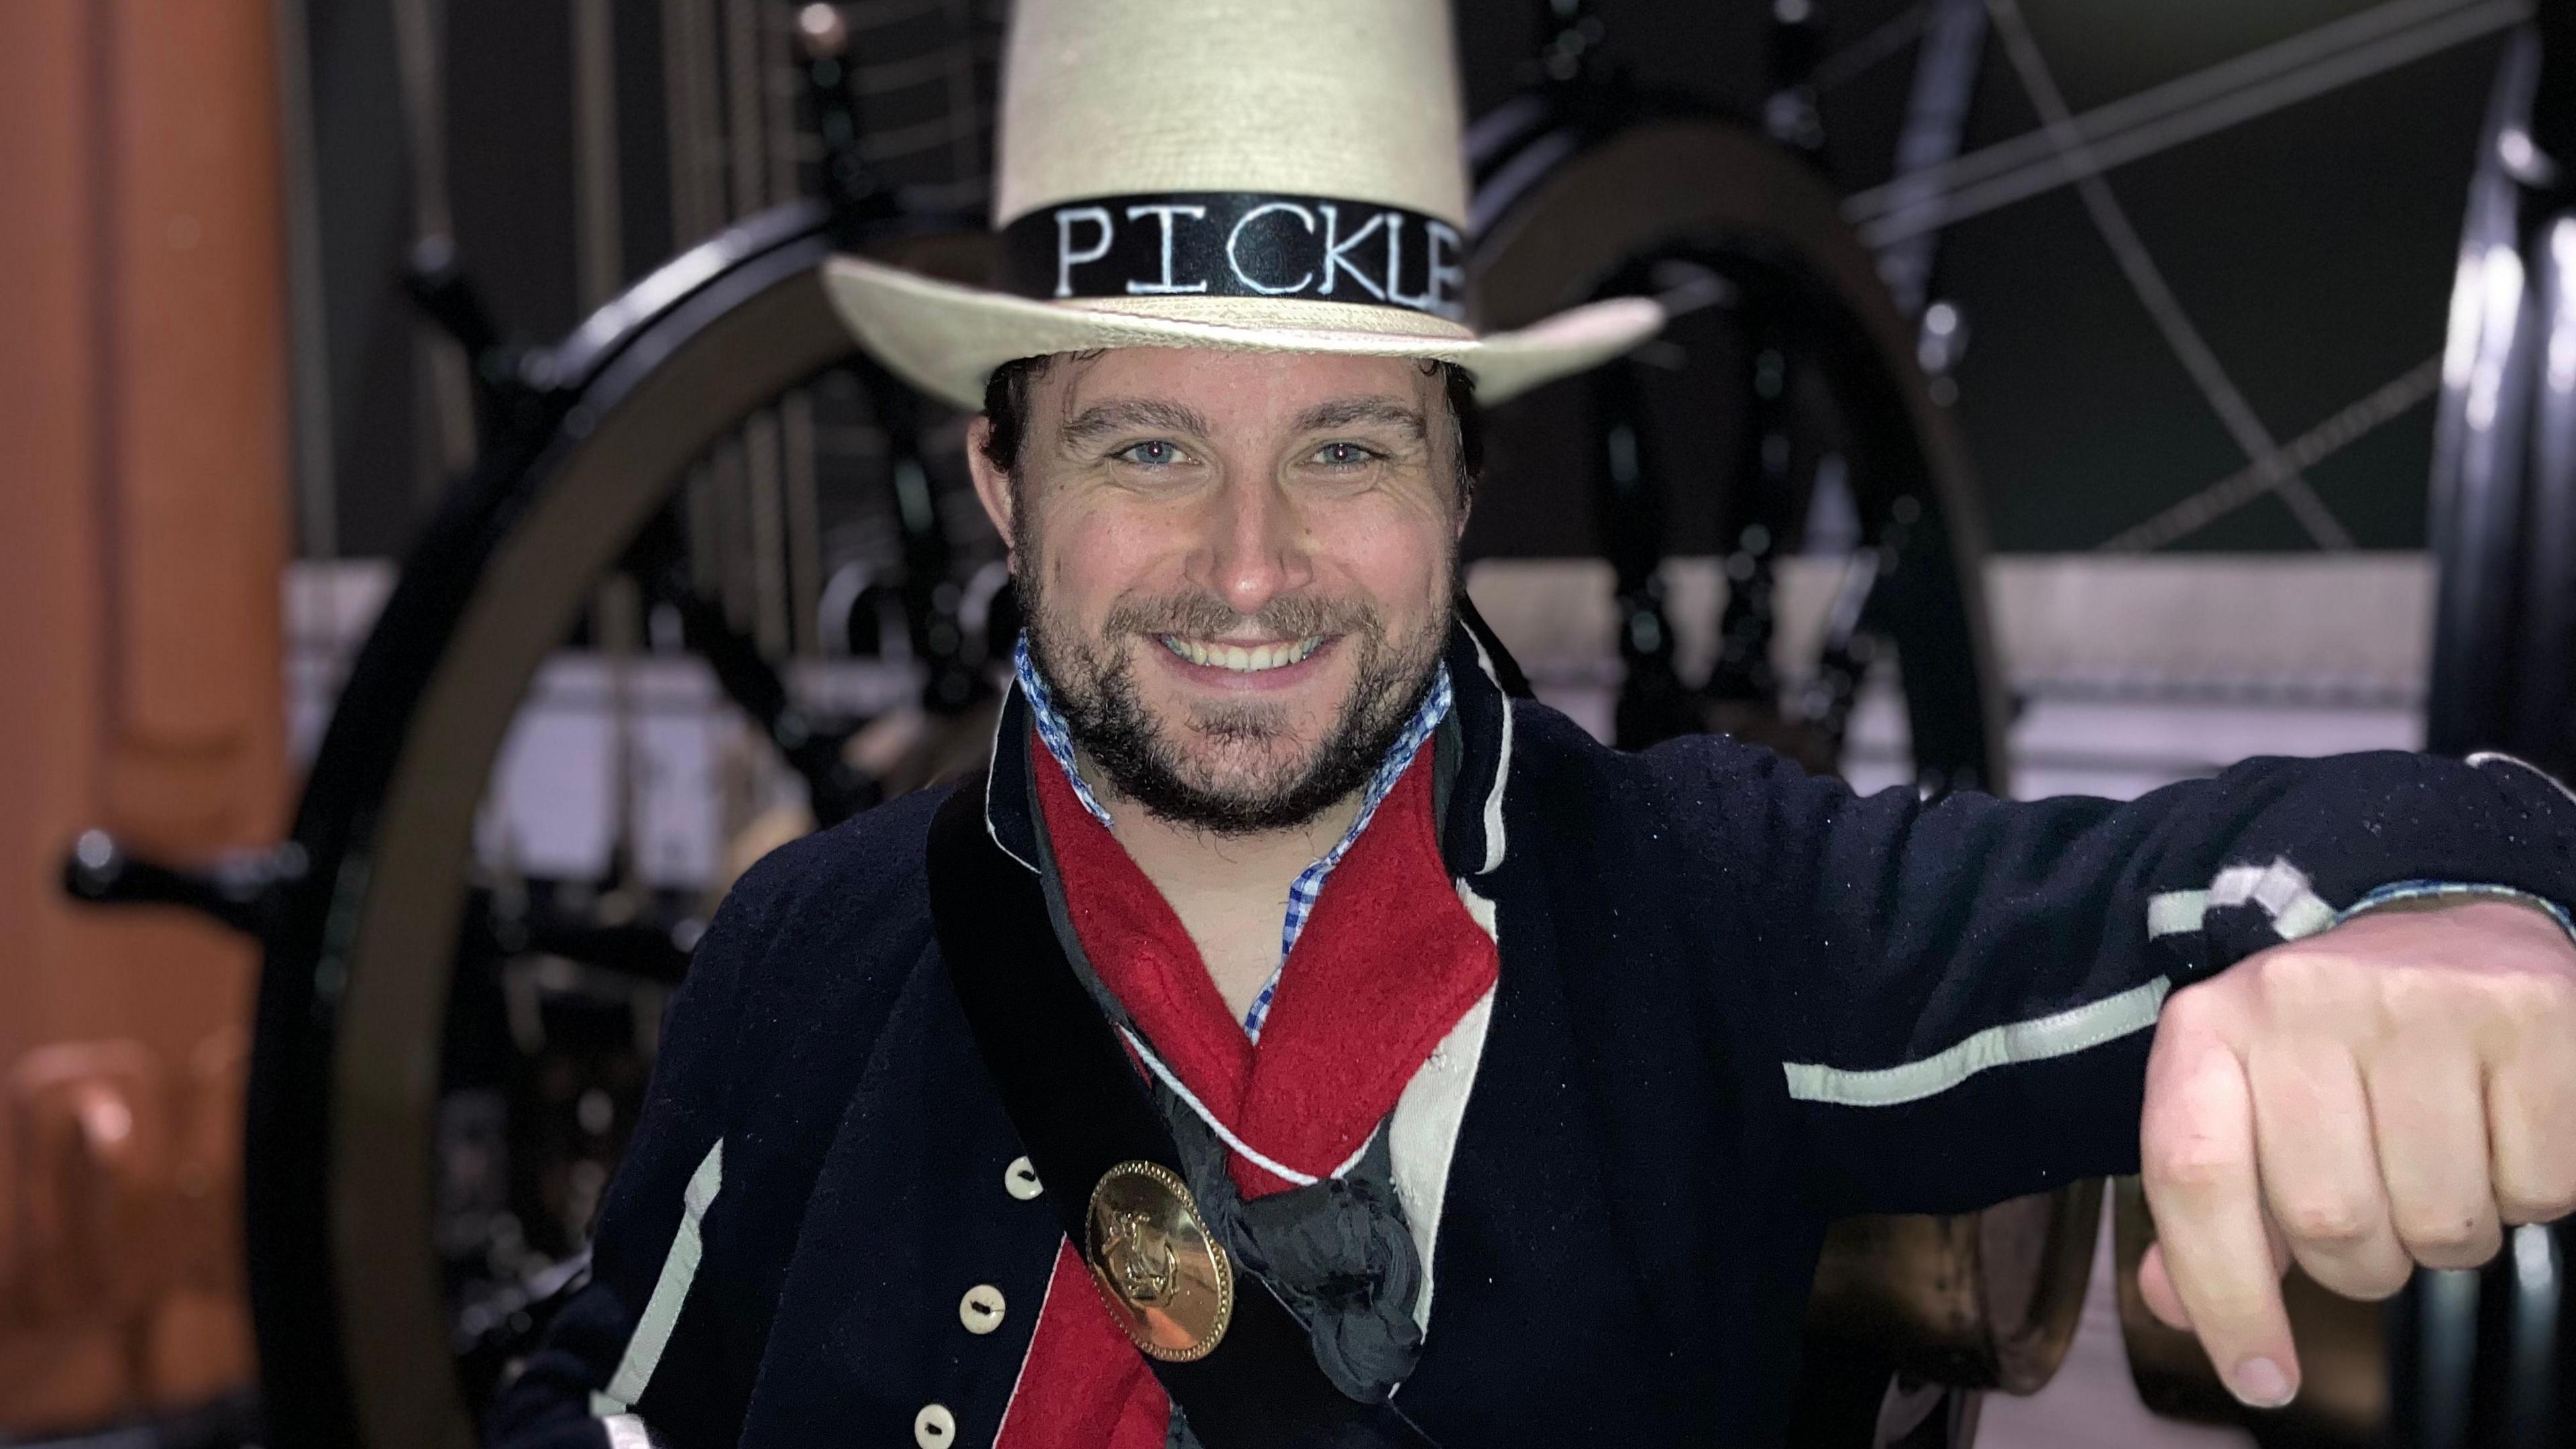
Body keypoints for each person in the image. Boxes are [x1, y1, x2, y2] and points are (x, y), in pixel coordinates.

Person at [490, 0, 2576, 1444]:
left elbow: (2348, 850)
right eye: (1142, 446)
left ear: (1463, 488)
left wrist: (2468, 905)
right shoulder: (811, 953)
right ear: (998, 486)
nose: (1245, 567)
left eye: (1344, 450)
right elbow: (610, 1405)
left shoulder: (1709, 919)